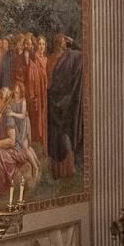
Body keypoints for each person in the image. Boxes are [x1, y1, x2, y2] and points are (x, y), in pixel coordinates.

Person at [45, 33, 83, 180]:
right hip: (52, 101)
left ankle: (69, 169)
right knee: (55, 137)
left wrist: (74, 42)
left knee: (65, 133)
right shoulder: (50, 59)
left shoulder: (71, 55)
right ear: (56, 42)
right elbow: (47, 80)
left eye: (65, 40)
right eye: (61, 40)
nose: (64, 42)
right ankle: (57, 172)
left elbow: (84, 56)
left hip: (66, 102)